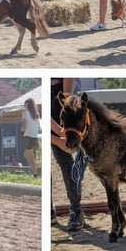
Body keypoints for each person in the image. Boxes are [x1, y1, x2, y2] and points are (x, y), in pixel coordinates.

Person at [50, 78, 84, 231]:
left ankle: (76, 210)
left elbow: (68, 98)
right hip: (47, 120)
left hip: (60, 116)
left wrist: (63, 132)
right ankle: (48, 210)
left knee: (65, 162)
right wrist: (58, 136)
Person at [21, 97, 41, 177]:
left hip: (28, 136)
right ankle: (35, 169)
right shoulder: (36, 115)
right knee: (31, 156)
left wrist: (22, 130)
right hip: (35, 137)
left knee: (27, 156)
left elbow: (23, 126)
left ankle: (34, 172)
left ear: (27, 105)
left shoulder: (25, 113)